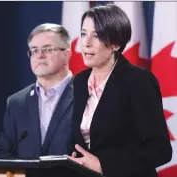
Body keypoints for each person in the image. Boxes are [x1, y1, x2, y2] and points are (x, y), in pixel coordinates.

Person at [68, 4, 172, 177]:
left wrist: (104, 165)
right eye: (84, 34)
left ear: (115, 43)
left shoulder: (138, 81)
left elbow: (160, 150)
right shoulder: (79, 81)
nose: (86, 43)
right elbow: (86, 140)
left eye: (97, 36)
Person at [0, 23, 74, 158]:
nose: (40, 55)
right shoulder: (16, 103)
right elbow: (3, 156)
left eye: (48, 49)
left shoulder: (87, 94)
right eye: (34, 50)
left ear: (66, 55)